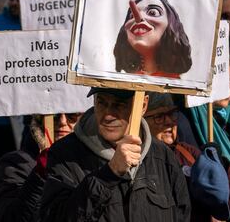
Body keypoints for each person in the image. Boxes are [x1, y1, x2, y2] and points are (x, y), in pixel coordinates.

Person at [40, 87, 191, 222]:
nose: (108, 115)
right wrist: (109, 174)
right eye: (101, 103)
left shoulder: (162, 156)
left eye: (119, 105)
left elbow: (182, 214)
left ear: (143, 105)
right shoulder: (64, 154)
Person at [144, 92, 230, 221]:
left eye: (172, 114)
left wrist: (220, 167)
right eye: (159, 116)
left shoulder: (188, 152)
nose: (169, 121)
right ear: (142, 120)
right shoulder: (139, 158)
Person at [0, 113, 82, 222]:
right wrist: (40, 176)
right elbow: (10, 218)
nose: (62, 121)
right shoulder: (16, 162)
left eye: (72, 115)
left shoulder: (92, 161)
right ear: (39, 119)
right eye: (54, 115)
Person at [113, 0, 192, 78]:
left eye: (153, 13)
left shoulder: (177, 84)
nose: (138, 18)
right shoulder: (127, 79)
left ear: (170, 25)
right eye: (132, 16)